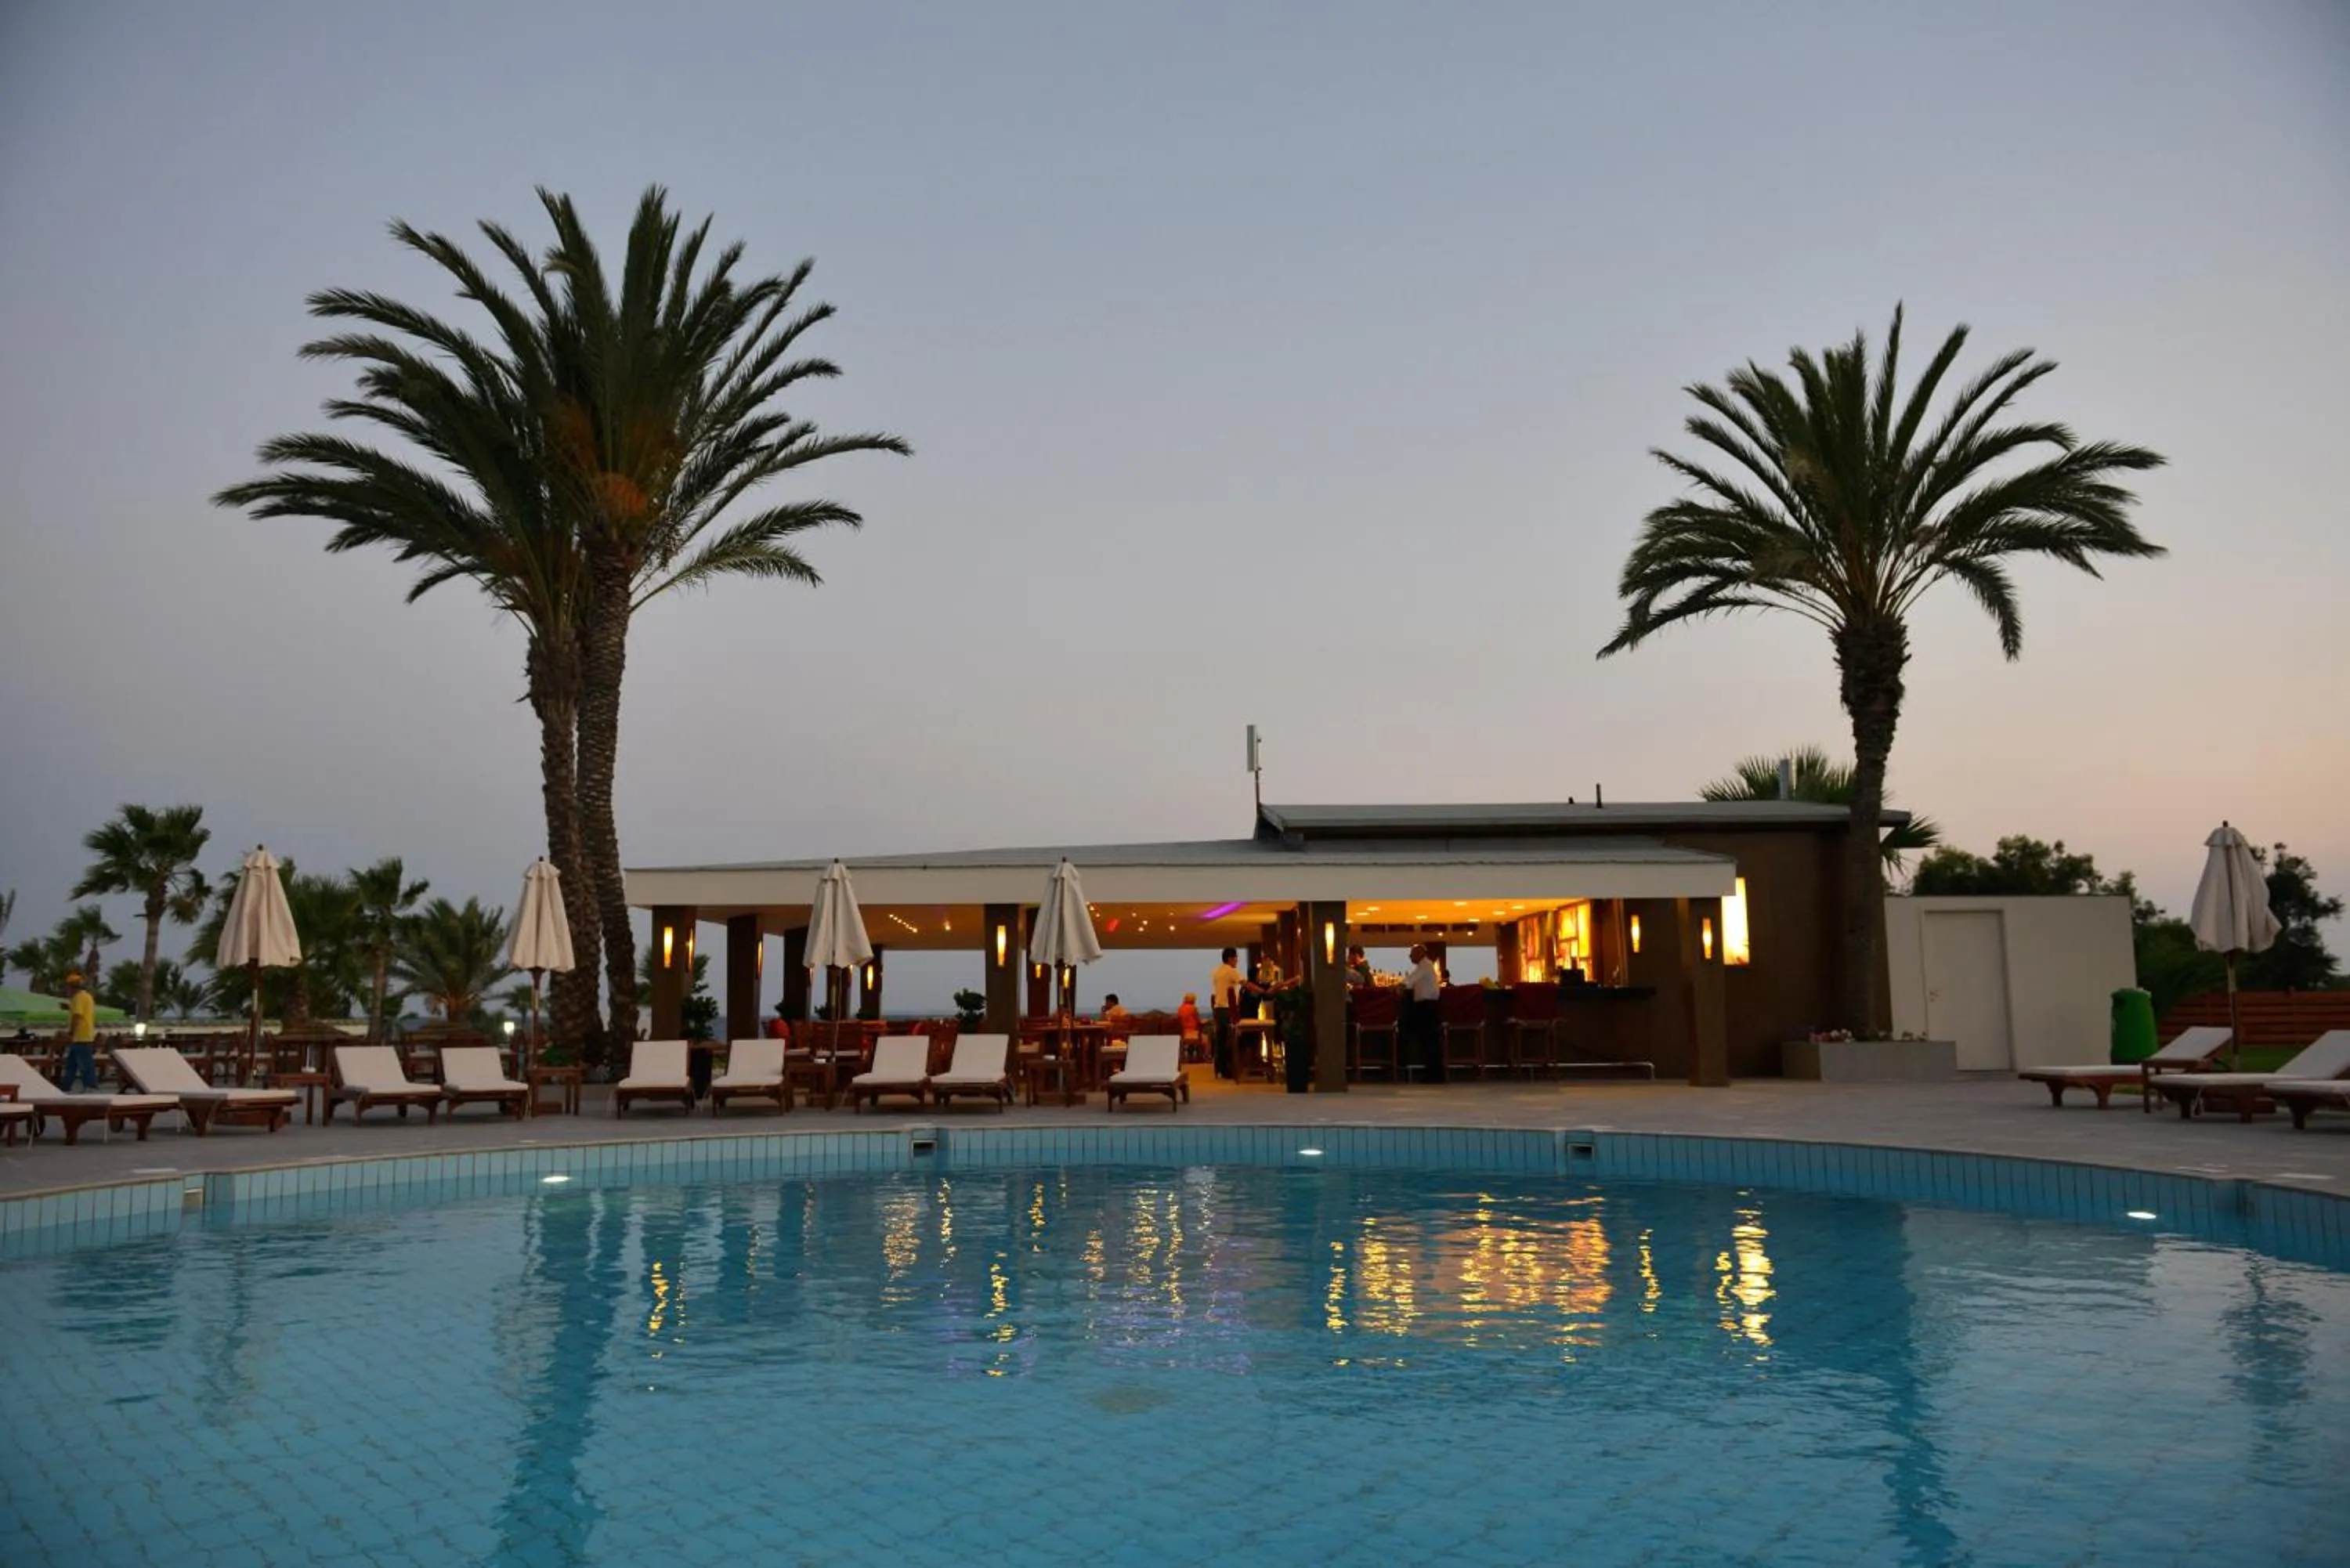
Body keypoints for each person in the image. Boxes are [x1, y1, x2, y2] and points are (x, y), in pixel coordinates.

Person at [1402, 945, 1444, 1085]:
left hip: (1428, 1007)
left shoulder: (1425, 965)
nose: (1410, 956)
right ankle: (1433, 1074)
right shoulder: (1423, 966)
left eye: (1412, 953)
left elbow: (1410, 980)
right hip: (1425, 1007)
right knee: (1428, 1041)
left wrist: (1398, 986)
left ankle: (1435, 1075)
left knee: (1430, 1041)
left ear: (1421, 953)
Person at [1209, 948, 1247, 1081]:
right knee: (1229, 1041)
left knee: (1221, 1040)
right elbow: (1244, 983)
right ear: (1230, 958)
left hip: (1218, 1009)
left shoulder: (1217, 971)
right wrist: (1263, 991)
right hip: (1227, 1010)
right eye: (1236, 957)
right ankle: (1226, 1070)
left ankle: (1219, 1069)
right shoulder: (1231, 971)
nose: (1237, 960)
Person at [60, 971, 100, 1093]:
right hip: (82, 1036)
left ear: (72, 987)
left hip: (81, 1036)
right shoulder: (85, 997)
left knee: (85, 1064)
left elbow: (77, 1016)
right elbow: (80, 1011)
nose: (67, 989)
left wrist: (71, 1033)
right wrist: (68, 1007)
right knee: (71, 1064)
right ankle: (65, 1086)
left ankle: (91, 1086)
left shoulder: (78, 998)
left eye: (68, 986)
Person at [1176, 992, 1204, 1060]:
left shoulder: (1180, 1009)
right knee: (1205, 1040)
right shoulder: (1193, 1008)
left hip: (1182, 1033)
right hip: (1192, 1032)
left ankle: (1188, 1056)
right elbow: (1198, 1020)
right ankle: (1201, 1057)